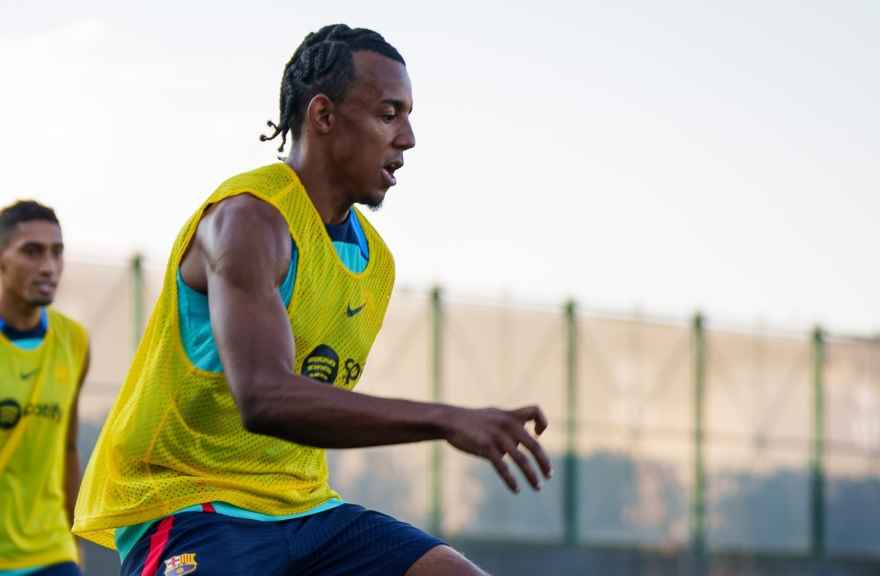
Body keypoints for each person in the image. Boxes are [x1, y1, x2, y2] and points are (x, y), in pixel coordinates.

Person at [74, 24, 550, 576]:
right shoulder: (247, 219)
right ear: (323, 116)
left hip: (304, 508)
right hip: (191, 503)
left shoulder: (375, 261)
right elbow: (265, 398)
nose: (409, 138)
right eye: (389, 113)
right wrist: (446, 418)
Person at [0, 201, 90, 576]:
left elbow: (68, 447)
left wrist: (74, 538)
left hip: (51, 553)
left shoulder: (74, 341)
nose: (48, 267)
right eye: (31, 251)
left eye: (57, 252)